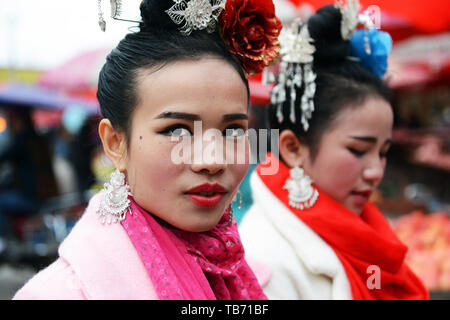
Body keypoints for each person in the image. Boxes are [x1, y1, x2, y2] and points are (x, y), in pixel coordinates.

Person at [13, 0, 281, 299]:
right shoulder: (59, 293)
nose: (213, 160)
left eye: (232, 131)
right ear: (115, 143)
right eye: (177, 130)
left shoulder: (252, 276)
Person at [239, 3, 429, 300]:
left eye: (382, 152)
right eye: (357, 150)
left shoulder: (368, 230)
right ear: (293, 148)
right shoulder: (264, 263)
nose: (376, 172)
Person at [0, 107, 58, 248]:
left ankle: (4, 242)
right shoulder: (36, 138)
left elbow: (4, 156)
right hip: (45, 195)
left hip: (33, 199)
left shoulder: (23, 139)